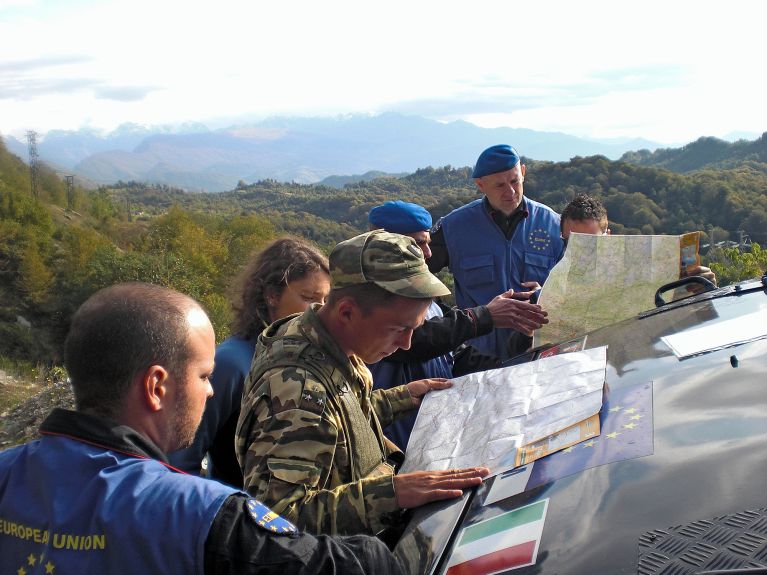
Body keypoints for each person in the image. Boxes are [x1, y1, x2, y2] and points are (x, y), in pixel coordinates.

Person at [0, 282, 402, 574]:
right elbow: (352, 566)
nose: (211, 392)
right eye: (204, 375)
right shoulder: (204, 515)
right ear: (156, 387)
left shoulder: (7, 473)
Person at [236, 231, 489, 537]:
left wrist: (402, 398)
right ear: (347, 312)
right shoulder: (298, 389)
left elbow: (340, 416)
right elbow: (278, 516)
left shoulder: (326, 337)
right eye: (398, 328)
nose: (407, 344)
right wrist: (392, 494)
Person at [366, 200, 545, 449]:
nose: (428, 253)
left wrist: (518, 356)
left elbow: (456, 356)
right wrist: (486, 316)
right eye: (418, 243)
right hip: (397, 441)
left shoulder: (428, 299)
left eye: (428, 242)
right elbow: (414, 342)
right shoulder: (369, 299)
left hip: (437, 435)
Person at [169, 237, 330, 487]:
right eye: (308, 297)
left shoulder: (306, 359)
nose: (319, 309)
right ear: (272, 296)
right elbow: (180, 458)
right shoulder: (231, 363)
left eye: (325, 301)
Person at [428, 144, 565, 360]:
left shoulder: (554, 225)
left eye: (514, 181)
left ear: (524, 172)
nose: (510, 192)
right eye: (500, 185)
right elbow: (417, 275)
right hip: (476, 359)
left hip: (539, 354)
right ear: (481, 185)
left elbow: (576, 285)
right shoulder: (454, 227)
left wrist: (546, 293)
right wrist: (447, 319)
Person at [559, 193, 717, 287]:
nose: (582, 251)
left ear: (608, 236)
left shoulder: (646, 269)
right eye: (572, 243)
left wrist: (705, 287)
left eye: (591, 243)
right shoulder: (555, 286)